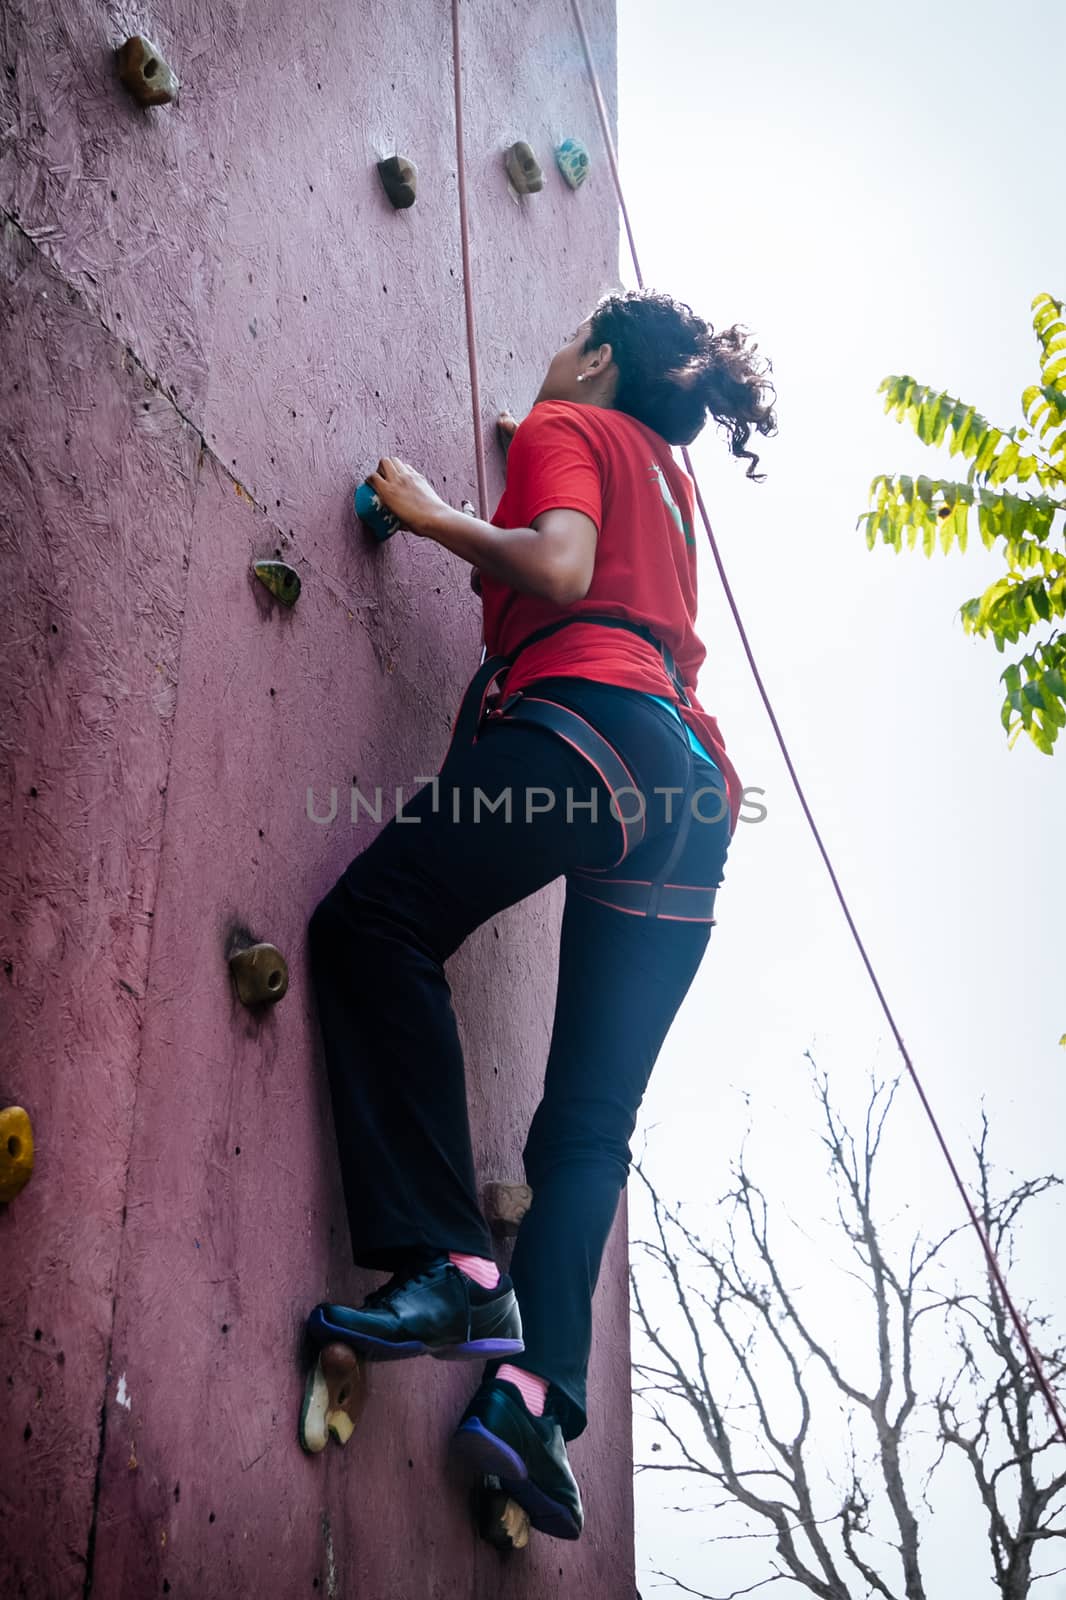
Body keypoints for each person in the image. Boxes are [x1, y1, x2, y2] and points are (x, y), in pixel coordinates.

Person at [304, 289, 776, 1540]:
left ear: (599, 360)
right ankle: (538, 1401)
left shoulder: (569, 426)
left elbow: (562, 566)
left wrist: (438, 512)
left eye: (569, 346)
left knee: (374, 924)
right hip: (692, 795)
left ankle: (453, 1267)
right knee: (588, 1127)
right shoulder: (669, 482)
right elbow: (599, 548)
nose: (553, 364)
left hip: (591, 730)